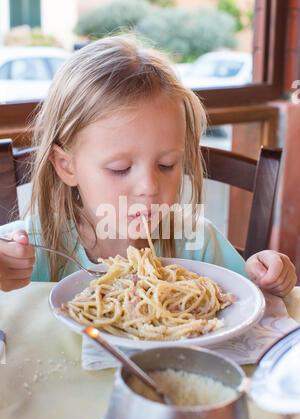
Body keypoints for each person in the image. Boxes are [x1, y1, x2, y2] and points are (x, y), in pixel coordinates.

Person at [0, 35, 296, 296]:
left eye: (167, 165)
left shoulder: (197, 241)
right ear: (67, 166)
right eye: (120, 168)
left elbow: (248, 298)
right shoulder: (33, 246)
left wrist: (267, 277)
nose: (149, 187)